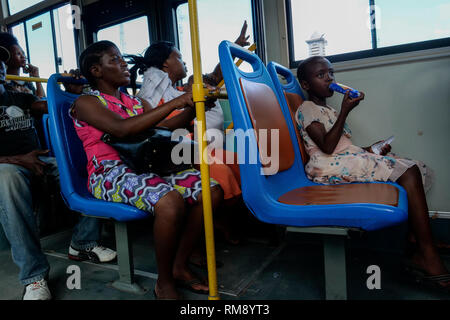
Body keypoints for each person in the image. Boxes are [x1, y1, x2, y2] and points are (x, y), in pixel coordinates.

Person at [73, 40, 224, 299]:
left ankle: (179, 264)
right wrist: (176, 102)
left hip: (144, 165)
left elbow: (164, 128)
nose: (123, 63)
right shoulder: (87, 102)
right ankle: (163, 283)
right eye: (114, 59)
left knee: (212, 191)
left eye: (122, 58)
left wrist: (194, 107)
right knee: (170, 202)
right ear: (97, 71)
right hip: (108, 172)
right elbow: (122, 129)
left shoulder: (137, 103)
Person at [295, 56, 449, 290]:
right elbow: (326, 147)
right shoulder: (307, 108)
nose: (329, 79)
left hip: (343, 158)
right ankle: (427, 254)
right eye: (321, 75)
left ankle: (416, 238)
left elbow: (342, 146)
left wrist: (372, 149)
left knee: (413, 166)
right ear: (306, 85)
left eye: (331, 73)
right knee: (407, 172)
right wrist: (346, 110)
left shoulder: (328, 109)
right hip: (327, 165)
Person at [0, 45, 117, 300]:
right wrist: (18, 159)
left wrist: (69, 94)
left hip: (38, 157)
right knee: (7, 179)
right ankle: (34, 277)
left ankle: (83, 243)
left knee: (88, 165)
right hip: (6, 164)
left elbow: (44, 107)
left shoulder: (17, 90)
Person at [126, 22, 250, 245]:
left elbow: (214, 76)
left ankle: (219, 219)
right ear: (165, 64)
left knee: (241, 164)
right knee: (222, 172)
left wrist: (234, 47)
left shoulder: (179, 89)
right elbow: (157, 126)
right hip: (173, 151)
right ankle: (208, 227)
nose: (184, 62)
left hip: (195, 146)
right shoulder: (152, 90)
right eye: (179, 58)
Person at [0, 32, 45, 98]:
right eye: (18, 54)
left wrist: (36, 77)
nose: (23, 56)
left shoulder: (26, 82)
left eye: (23, 53)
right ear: (7, 58)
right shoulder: (4, 82)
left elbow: (42, 99)